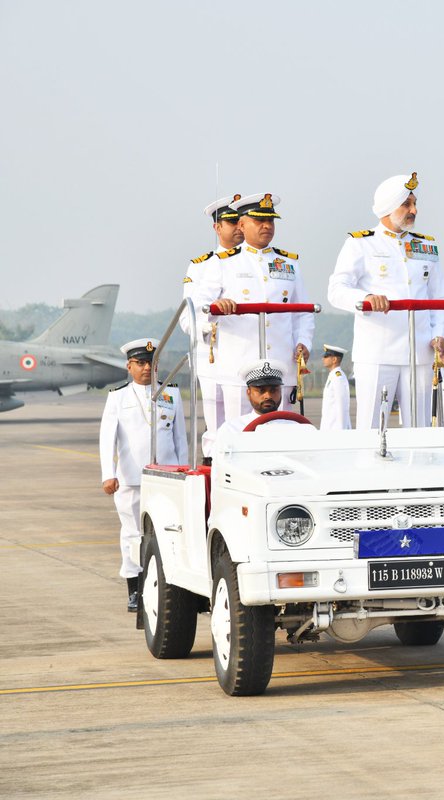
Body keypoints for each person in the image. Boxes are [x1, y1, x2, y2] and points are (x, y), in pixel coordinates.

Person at [327, 172, 444, 429]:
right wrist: (366, 298)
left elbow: (439, 298)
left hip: (420, 352)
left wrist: (440, 334)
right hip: (377, 351)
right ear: (387, 206)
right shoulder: (360, 244)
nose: (414, 210)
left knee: (420, 429)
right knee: (372, 428)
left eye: (414, 204)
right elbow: (337, 290)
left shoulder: (426, 246)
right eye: (406, 204)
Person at [196, 193, 314, 422]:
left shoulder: (289, 263)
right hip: (239, 365)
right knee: (239, 432)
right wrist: (215, 307)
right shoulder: (223, 262)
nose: (267, 226)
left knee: (282, 429)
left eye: (270, 221)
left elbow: (303, 313)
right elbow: (199, 307)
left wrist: (304, 342)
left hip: (281, 364)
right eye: (259, 220)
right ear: (241, 225)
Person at [100, 339, 188, 611]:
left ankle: (168, 586)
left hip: (167, 478)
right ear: (129, 366)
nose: (147, 368)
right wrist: (108, 474)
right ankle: (135, 590)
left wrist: (185, 473)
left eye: (152, 362)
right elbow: (107, 438)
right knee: (133, 535)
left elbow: (180, 439)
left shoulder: (171, 393)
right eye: (141, 363)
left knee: (169, 532)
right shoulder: (118, 397)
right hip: (131, 478)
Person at [185, 194, 243, 455]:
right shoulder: (200, 266)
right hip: (213, 351)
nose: (238, 228)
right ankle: (212, 461)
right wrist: (210, 327)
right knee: (216, 420)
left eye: (241, 222)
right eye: (232, 223)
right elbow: (188, 316)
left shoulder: (257, 262)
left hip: (246, 348)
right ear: (217, 227)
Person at [215, 359, 302, 441]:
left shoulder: (295, 428)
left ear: (280, 392)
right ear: (248, 393)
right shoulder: (232, 430)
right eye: (261, 390)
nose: (268, 396)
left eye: (273, 390)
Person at [320, 344, 351, 431]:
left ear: (334, 359)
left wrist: (341, 429)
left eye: (326, 356)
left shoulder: (338, 377)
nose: (323, 359)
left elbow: (342, 405)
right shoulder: (333, 375)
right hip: (330, 426)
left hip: (336, 429)